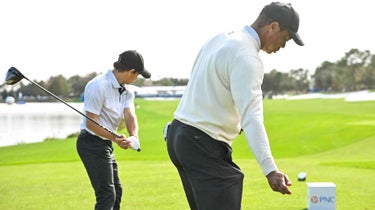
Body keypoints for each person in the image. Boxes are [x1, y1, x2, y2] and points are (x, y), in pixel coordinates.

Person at [166, 2, 304, 210]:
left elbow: (206, 87)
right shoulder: (248, 56)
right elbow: (252, 117)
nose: (283, 45)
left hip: (180, 136)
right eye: (285, 38)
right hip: (202, 143)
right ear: (273, 27)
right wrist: (270, 169)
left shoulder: (221, 38)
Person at [77, 50, 151, 210]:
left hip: (105, 145)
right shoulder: (98, 86)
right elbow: (91, 123)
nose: (136, 78)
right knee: (106, 195)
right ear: (131, 72)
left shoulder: (128, 90)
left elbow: (129, 114)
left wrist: (134, 136)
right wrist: (115, 138)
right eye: (137, 75)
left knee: (117, 192)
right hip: (90, 143)